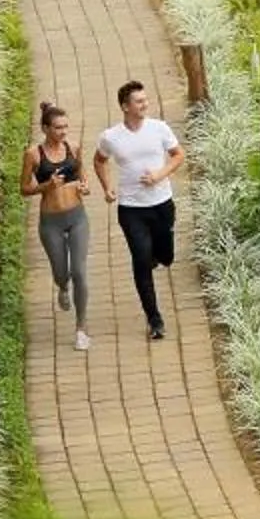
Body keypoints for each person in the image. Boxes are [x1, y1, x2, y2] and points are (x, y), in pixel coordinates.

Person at [94, 79, 184, 342]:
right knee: (141, 261)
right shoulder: (111, 137)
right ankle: (154, 319)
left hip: (162, 203)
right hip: (131, 208)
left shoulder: (159, 128)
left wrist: (159, 174)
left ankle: (159, 254)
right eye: (139, 101)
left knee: (166, 255)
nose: (145, 104)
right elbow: (99, 161)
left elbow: (178, 155)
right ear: (125, 106)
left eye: (145, 100)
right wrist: (107, 188)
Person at [21, 101, 91, 352]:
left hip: (77, 217)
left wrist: (84, 186)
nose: (63, 132)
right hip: (51, 221)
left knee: (80, 272)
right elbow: (24, 189)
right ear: (45, 128)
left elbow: (82, 174)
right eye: (58, 128)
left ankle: (81, 328)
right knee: (62, 272)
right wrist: (45, 186)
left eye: (66, 127)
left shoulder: (73, 147)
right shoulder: (33, 154)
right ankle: (62, 286)